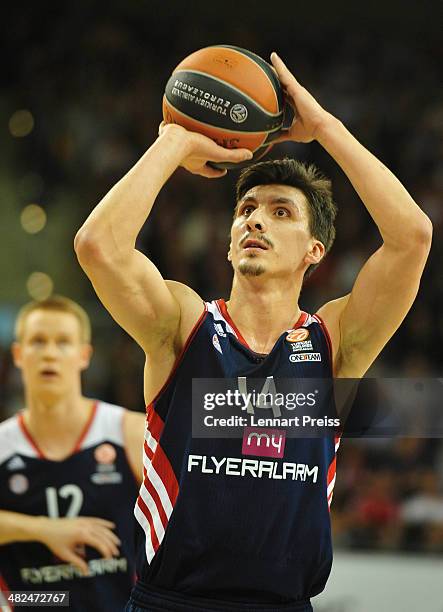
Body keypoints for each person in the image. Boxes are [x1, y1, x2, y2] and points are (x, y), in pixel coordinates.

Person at [74, 52, 432, 612]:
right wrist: (176, 141)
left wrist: (325, 129)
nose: (256, 220)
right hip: (170, 602)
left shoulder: (337, 342)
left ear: (316, 251)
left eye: (282, 212)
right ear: (229, 239)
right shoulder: (184, 324)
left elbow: (413, 237)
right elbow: (98, 247)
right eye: (246, 209)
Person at [0, 296, 145, 612]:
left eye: (63, 342)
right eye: (38, 341)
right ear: (18, 354)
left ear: (84, 355)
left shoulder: (129, 432)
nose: (50, 353)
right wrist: (44, 530)